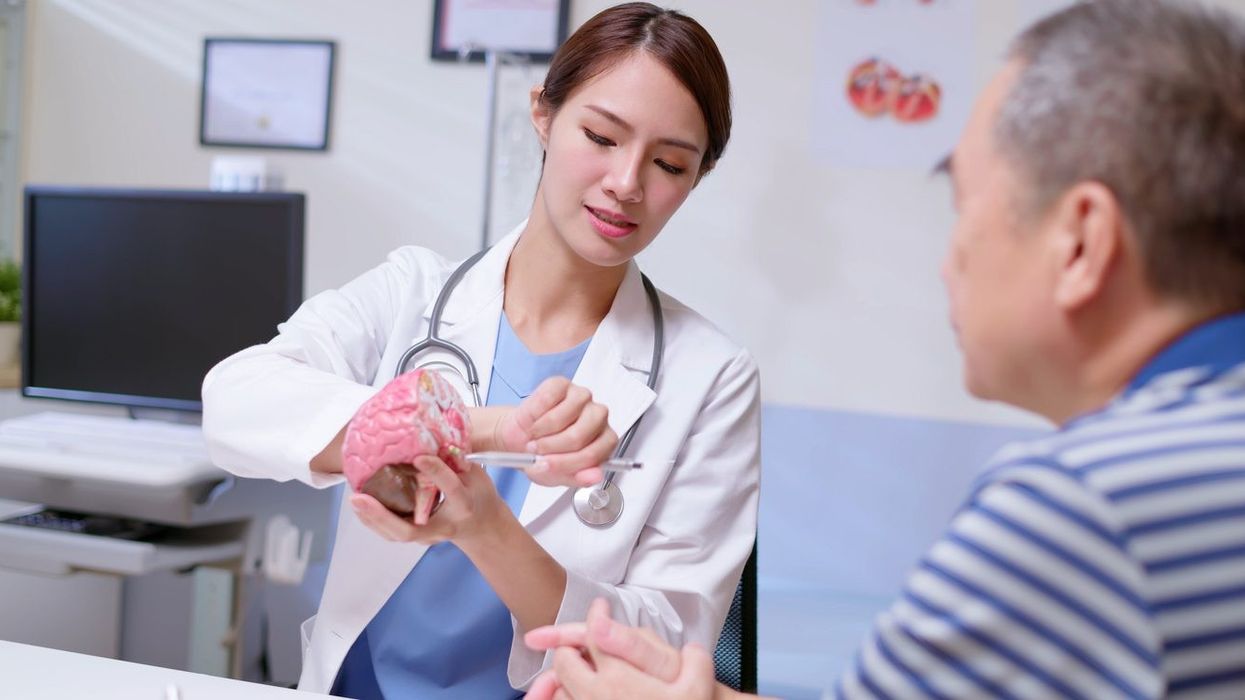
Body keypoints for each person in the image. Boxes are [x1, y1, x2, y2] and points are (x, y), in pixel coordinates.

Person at [521, 0, 1245, 698]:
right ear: (543, 118)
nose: (946, 261)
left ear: (1081, 241)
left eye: (961, 204)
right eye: (603, 138)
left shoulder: (1076, 507)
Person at [200, 3, 760, 698]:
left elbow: (666, 651)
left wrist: (485, 526)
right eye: (601, 136)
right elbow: (234, 402)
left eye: (670, 163)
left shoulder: (711, 378)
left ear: (695, 178)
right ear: (543, 115)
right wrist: (474, 427)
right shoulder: (411, 293)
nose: (627, 183)